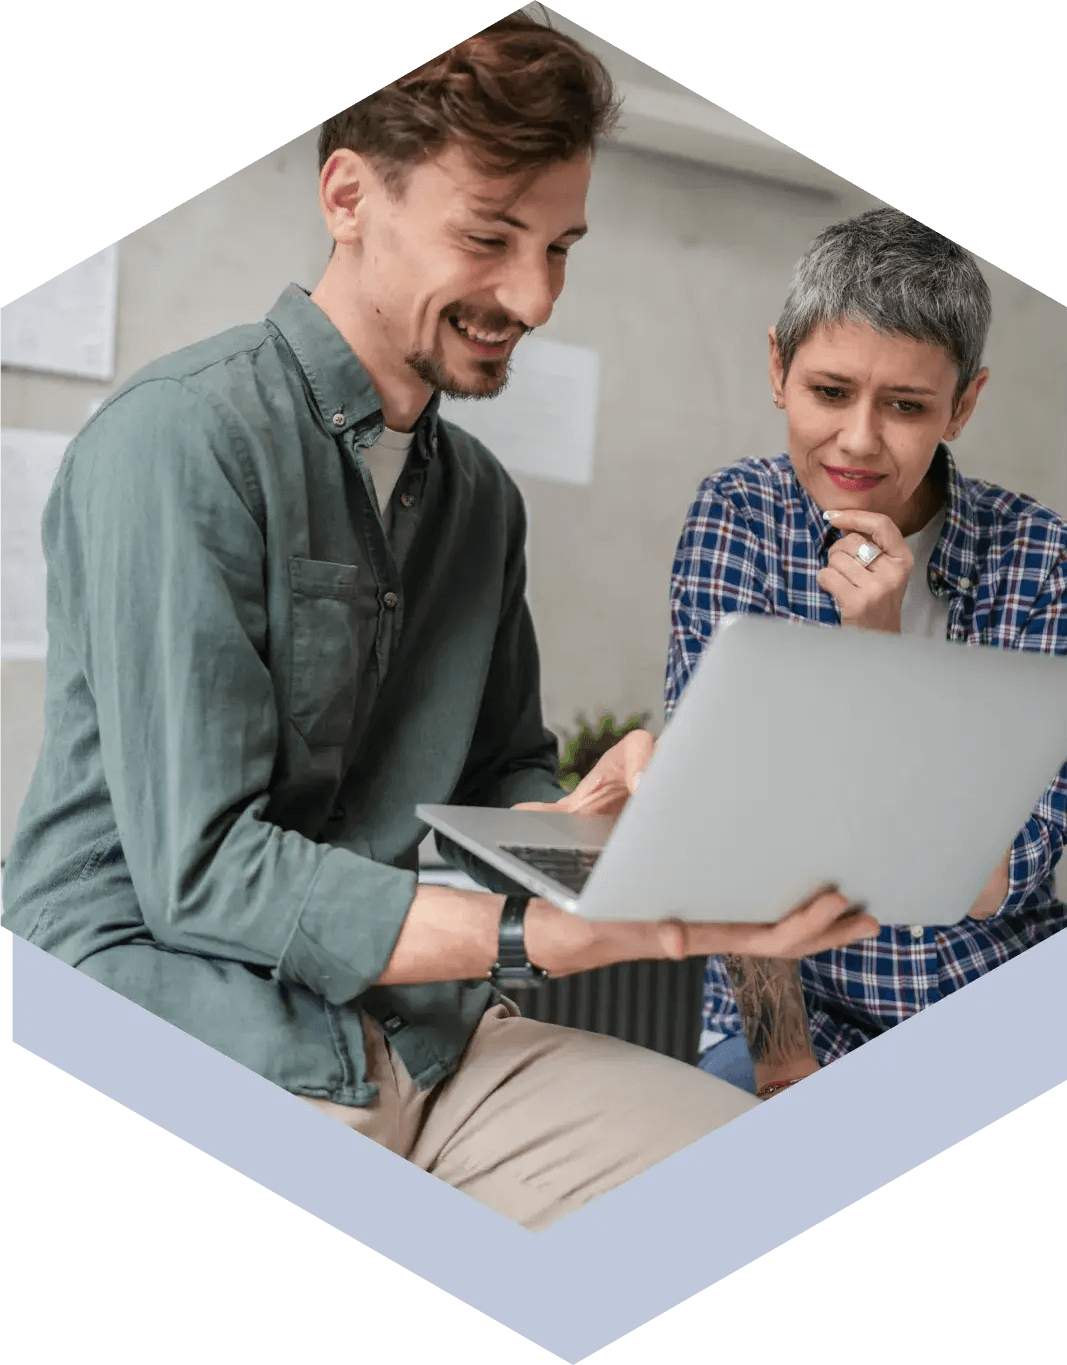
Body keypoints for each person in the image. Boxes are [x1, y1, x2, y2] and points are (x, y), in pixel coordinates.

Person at [2, 12, 877, 1231]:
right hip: (181, 1025)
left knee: (795, 1198)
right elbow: (201, 876)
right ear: (348, 195)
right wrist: (552, 934)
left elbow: (497, 777)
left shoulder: (478, 503)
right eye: (489, 236)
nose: (533, 295)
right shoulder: (181, 442)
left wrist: (594, 821)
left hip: (419, 1037)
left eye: (560, 247)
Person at [667, 207, 1067, 1098]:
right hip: (802, 1015)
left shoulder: (1044, 561)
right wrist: (783, 1067)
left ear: (962, 404)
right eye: (829, 391)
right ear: (778, 368)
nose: (856, 439)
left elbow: (985, 879)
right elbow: (721, 827)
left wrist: (874, 647)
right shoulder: (736, 517)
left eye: (907, 405)